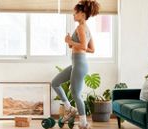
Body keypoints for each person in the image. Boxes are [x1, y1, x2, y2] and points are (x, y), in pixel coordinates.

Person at [51, 0, 100, 129]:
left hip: (79, 64)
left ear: (82, 14)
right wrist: (71, 43)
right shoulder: (86, 29)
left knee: (76, 94)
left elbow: (83, 46)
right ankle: (69, 108)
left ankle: (83, 123)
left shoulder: (80, 28)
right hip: (78, 63)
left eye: (75, 13)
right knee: (55, 82)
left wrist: (70, 41)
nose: (73, 15)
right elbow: (91, 49)